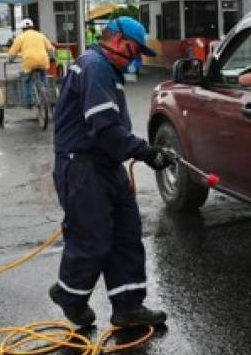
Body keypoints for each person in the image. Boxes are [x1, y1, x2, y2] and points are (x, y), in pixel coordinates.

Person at [49, 16, 172, 328]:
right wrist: (145, 152)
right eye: (133, 50)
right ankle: (70, 295)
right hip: (82, 167)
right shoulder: (95, 67)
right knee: (92, 238)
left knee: (126, 233)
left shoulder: (107, 69)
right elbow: (104, 128)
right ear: (117, 41)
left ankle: (128, 306)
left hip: (105, 165)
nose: (136, 58)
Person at [8, 19, 54, 103]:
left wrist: (10, 60)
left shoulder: (21, 37)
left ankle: (28, 101)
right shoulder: (41, 35)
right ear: (33, 27)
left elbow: (12, 53)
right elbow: (50, 49)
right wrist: (51, 58)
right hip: (43, 60)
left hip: (29, 62)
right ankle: (47, 95)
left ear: (22, 29)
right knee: (43, 76)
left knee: (27, 80)